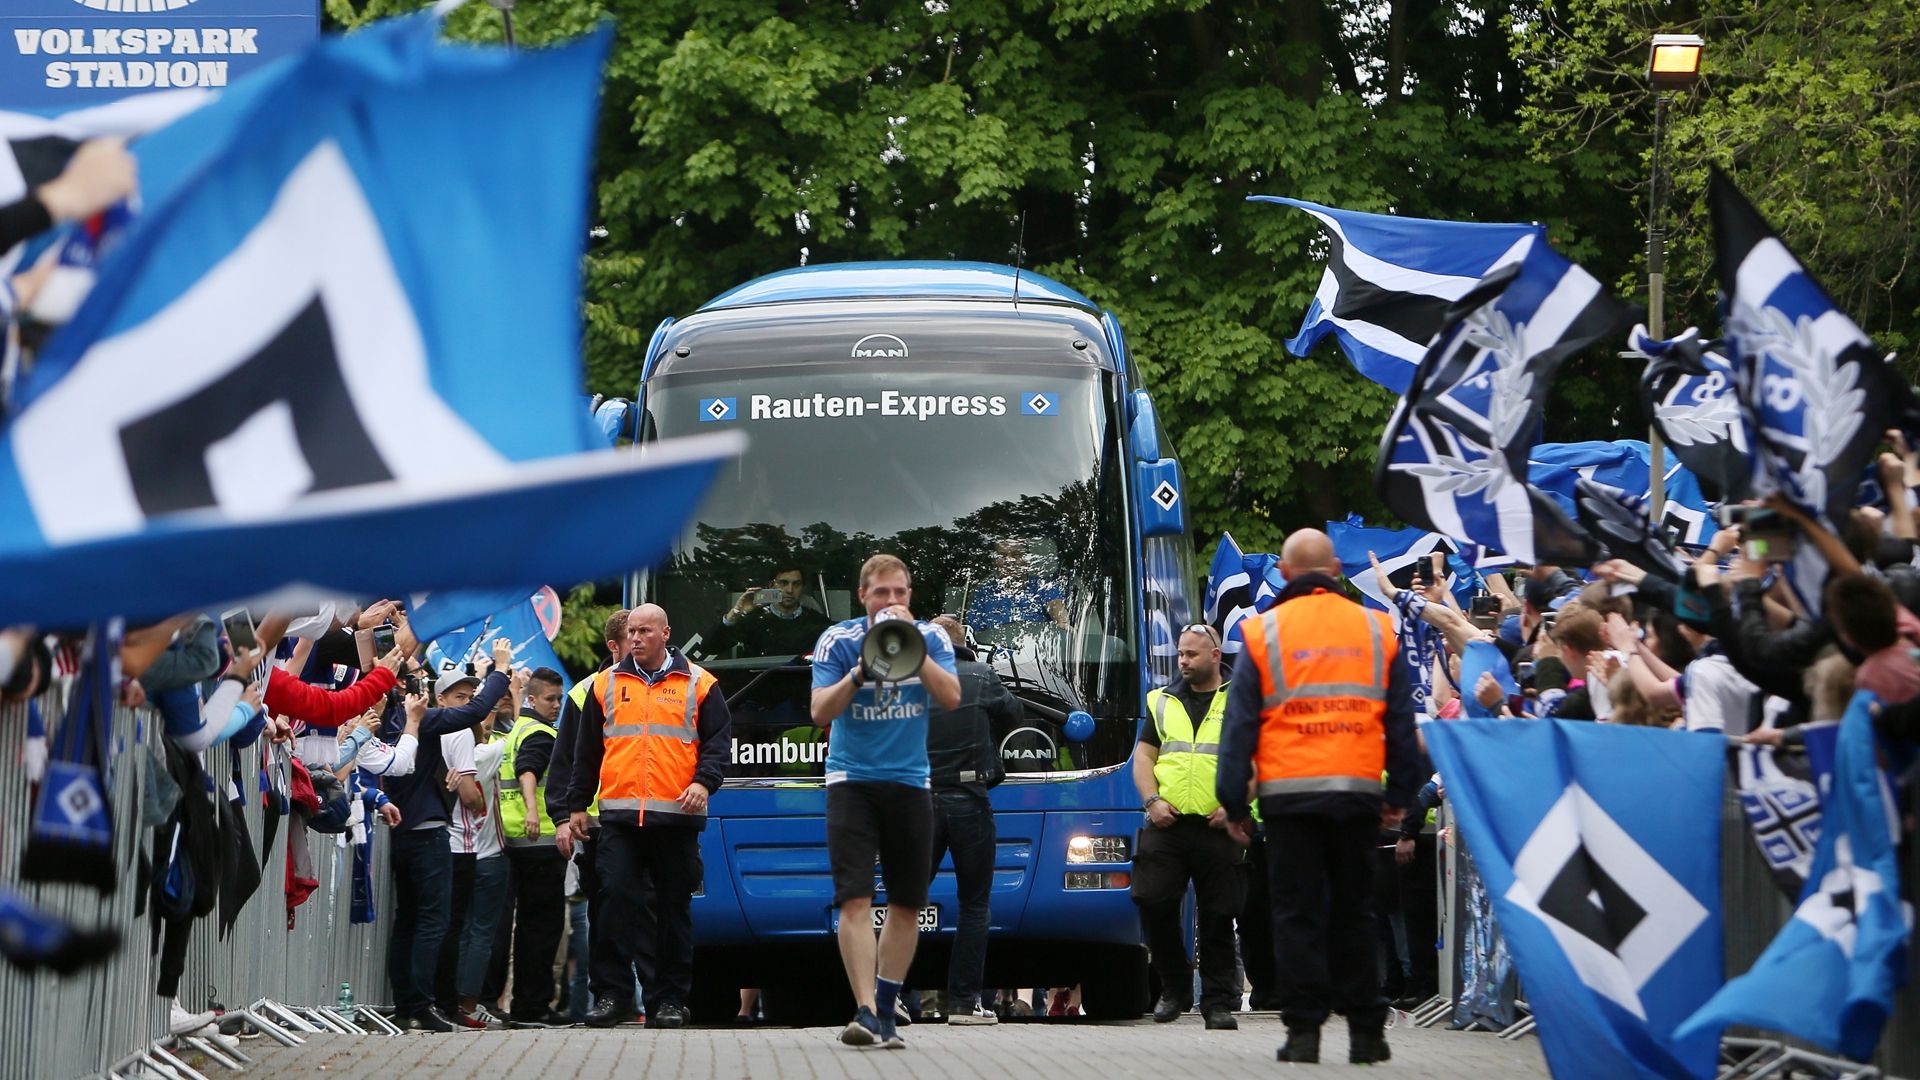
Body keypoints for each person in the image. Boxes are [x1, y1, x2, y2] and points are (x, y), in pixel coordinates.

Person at [1217, 528, 1419, 1066]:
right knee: (1356, 912)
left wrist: (1233, 802)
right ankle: (1367, 1033)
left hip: (1290, 798)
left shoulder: (1262, 632)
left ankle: (1304, 1032)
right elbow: (1401, 721)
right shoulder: (1376, 629)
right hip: (1357, 794)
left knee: (1296, 913)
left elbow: (1240, 726)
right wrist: (1399, 793)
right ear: (1335, 572)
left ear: (1284, 573)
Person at [810, 554, 962, 1049]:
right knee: (854, 898)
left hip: (910, 783)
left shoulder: (932, 638)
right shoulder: (838, 640)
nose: (891, 601)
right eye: (881, 593)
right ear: (863, 596)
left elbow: (952, 697)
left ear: (910, 596)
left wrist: (913, 649)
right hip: (851, 782)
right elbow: (818, 711)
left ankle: (887, 1005)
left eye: (899, 592)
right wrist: (859, 673)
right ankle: (865, 1010)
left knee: (907, 903)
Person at [567, 605, 731, 1030]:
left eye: (645, 631)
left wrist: (704, 783)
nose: (636, 638)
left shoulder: (699, 683)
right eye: (632, 631)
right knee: (613, 902)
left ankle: (669, 1001)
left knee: (673, 912)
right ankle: (612, 996)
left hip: (676, 819)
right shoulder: (605, 683)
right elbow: (587, 750)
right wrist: (576, 805)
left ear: (666, 633)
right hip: (620, 819)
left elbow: (718, 743)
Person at [383, 635, 515, 1033]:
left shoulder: (390, 721)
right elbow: (474, 710)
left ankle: (406, 1004)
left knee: (408, 920)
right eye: (417, 682)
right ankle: (420, 1005)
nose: (422, 688)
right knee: (432, 922)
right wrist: (501, 670)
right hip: (427, 833)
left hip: (404, 831)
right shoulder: (419, 721)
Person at [1131, 624, 1244, 1030]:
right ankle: (1175, 985)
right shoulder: (1162, 700)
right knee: (1151, 899)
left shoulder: (1240, 700)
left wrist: (1235, 807)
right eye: (1180, 653)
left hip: (1218, 824)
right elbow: (1144, 758)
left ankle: (1217, 1002)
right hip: (1169, 821)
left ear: (1215, 655)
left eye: (1192, 654)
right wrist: (1152, 801)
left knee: (1218, 915)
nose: (1183, 661)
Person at [926, 614, 1018, 1026]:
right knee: (975, 905)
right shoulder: (981, 675)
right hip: (969, 799)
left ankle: (885, 997)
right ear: (964, 640)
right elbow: (1014, 715)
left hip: (919, 804)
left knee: (904, 903)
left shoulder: (907, 680)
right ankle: (964, 1003)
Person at [498, 665, 573, 1027]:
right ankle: (533, 1006)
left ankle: (528, 1005)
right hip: (539, 840)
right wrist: (531, 810)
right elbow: (528, 771)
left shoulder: (519, 728)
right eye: (550, 699)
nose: (556, 705)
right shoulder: (540, 734)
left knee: (530, 926)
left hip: (518, 841)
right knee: (543, 928)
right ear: (531, 699)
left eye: (559, 699)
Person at [712, 565, 831, 658]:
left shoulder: (818, 622)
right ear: (771, 585)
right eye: (783, 583)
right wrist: (735, 612)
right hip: (757, 681)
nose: (790, 590)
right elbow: (711, 648)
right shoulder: (753, 620)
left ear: (802, 588)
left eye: (796, 584)